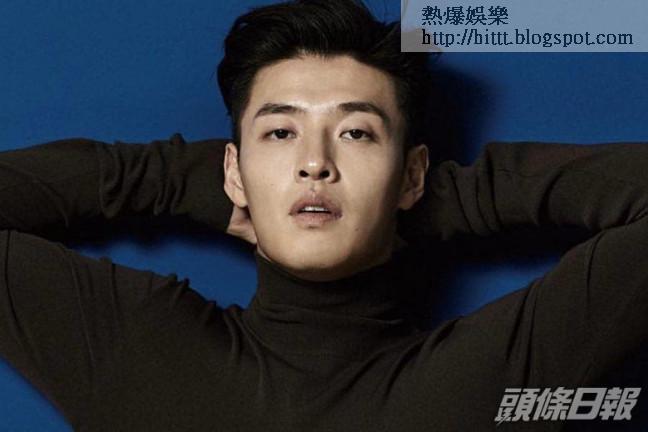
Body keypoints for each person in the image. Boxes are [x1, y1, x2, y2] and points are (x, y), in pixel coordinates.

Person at [0, 0, 646, 430]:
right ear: (233, 171)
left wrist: (436, 196)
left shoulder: (500, 378)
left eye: (356, 133)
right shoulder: (134, 348)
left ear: (411, 173)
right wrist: (188, 179)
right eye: (280, 133)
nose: (315, 162)